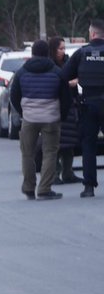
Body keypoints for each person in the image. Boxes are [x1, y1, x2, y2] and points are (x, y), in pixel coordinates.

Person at [9, 39, 70, 200]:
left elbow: (14, 96)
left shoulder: (22, 72)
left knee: (27, 153)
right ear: (47, 53)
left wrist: (23, 112)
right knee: (50, 153)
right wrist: (61, 116)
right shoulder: (57, 72)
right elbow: (66, 97)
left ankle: (28, 187)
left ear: (33, 53)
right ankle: (44, 188)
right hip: (51, 118)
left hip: (29, 118)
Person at [61, 18, 104, 198]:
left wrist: (72, 95)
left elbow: (63, 76)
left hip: (88, 103)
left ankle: (88, 187)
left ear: (92, 34)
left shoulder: (81, 53)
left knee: (88, 145)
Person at [48, 36, 82, 185]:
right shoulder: (50, 65)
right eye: (60, 48)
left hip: (70, 105)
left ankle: (68, 172)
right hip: (55, 107)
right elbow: (53, 84)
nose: (63, 51)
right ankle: (55, 173)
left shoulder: (69, 62)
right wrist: (69, 84)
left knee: (69, 142)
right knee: (56, 143)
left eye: (64, 48)